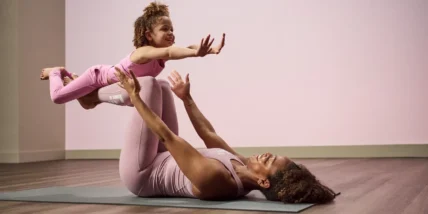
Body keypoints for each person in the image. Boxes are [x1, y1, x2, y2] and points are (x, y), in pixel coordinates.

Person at [109, 66, 341, 203]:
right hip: (160, 154)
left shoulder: (218, 179)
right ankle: (100, 93)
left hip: (143, 172)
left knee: (148, 85)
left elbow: (167, 137)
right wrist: (186, 98)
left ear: (263, 181)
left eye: (269, 160)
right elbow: (209, 133)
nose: (267, 154)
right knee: (162, 86)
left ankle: (91, 96)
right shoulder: (240, 164)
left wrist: (135, 97)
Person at [40, 1, 225, 110]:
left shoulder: (159, 55)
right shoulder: (144, 52)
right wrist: (195, 53)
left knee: (88, 105)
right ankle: (56, 72)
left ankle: (73, 79)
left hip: (117, 85)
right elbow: (172, 51)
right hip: (97, 77)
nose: (171, 33)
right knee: (58, 98)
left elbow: (183, 47)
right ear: (149, 35)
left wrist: (205, 50)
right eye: (165, 29)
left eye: (172, 29)